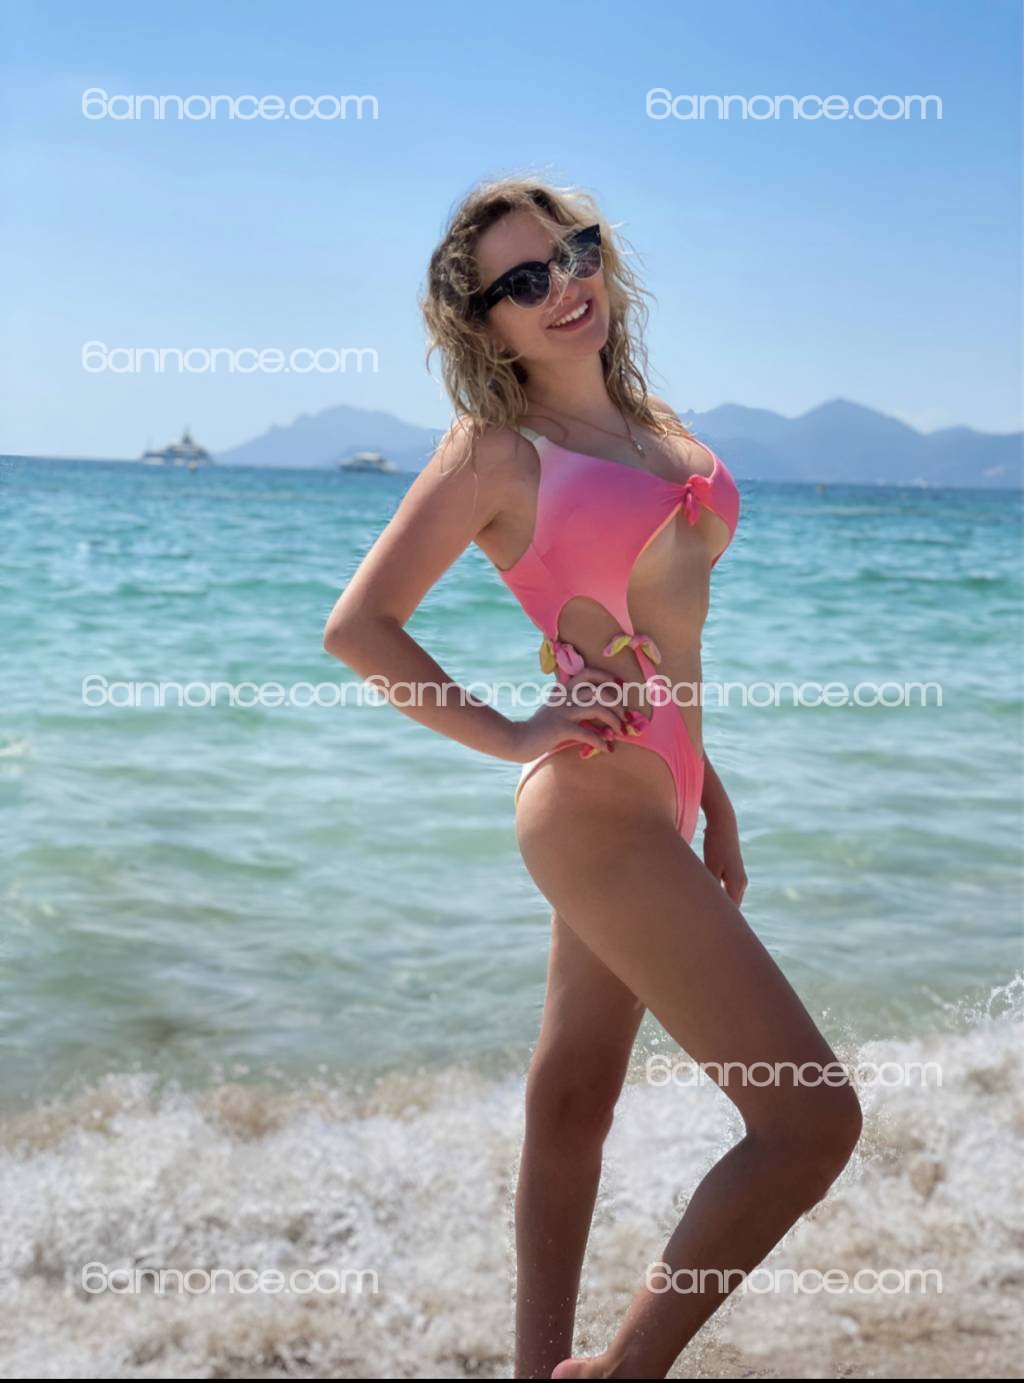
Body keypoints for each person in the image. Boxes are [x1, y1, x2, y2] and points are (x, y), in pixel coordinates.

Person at [322, 175, 862, 1380]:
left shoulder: (652, 422)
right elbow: (359, 629)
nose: (563, 285)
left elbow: (667, 643)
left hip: (660, 799)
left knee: (572, 1103)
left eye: (573, 252)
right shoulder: (494, 453)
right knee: (810, 1119)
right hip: (590, 811)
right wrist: (515, 732)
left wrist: (707, 793)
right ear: (483, 324)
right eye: (522, 281)